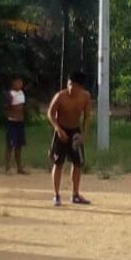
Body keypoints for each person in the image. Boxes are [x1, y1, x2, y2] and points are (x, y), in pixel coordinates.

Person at [47, 70, 92, 206]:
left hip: (75, 132)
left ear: (81, 87)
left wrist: (84, 134)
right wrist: (58, 129)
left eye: (76, 86)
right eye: (70, 84)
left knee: (77, 164)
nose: (72, 88)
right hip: (61, 131)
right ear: (67, 83)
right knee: (58, 163)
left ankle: (75, 195)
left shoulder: (85, 97)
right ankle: (56, 195)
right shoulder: (60, 96)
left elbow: (87, 117)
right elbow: (50, 113)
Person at [4, 78, 28, 175]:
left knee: (19, 145)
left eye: (21, 82)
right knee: (10, 145)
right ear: (13, 83)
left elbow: (22, 107)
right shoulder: (9, 94)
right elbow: (6, 107)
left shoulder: (22, 93)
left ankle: (19, 168)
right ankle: (7, 168)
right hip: (12, 122)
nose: (20, 84)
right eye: (17, 82)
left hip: (20, 122)